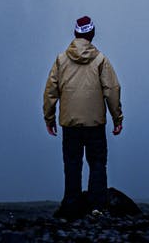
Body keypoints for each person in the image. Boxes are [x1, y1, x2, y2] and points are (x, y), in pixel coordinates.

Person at [43, 15, 123, 216]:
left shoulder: (61, 60)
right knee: (97, 163)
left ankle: (71, 206)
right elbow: (112, 90)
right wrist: (117, 119)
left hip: (69, 123)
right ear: (92, 34)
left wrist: (49, 118)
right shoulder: (100, 60)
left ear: (75, 33)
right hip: (95, 123)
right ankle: (97, 206)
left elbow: (50, 91)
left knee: (72, 164)